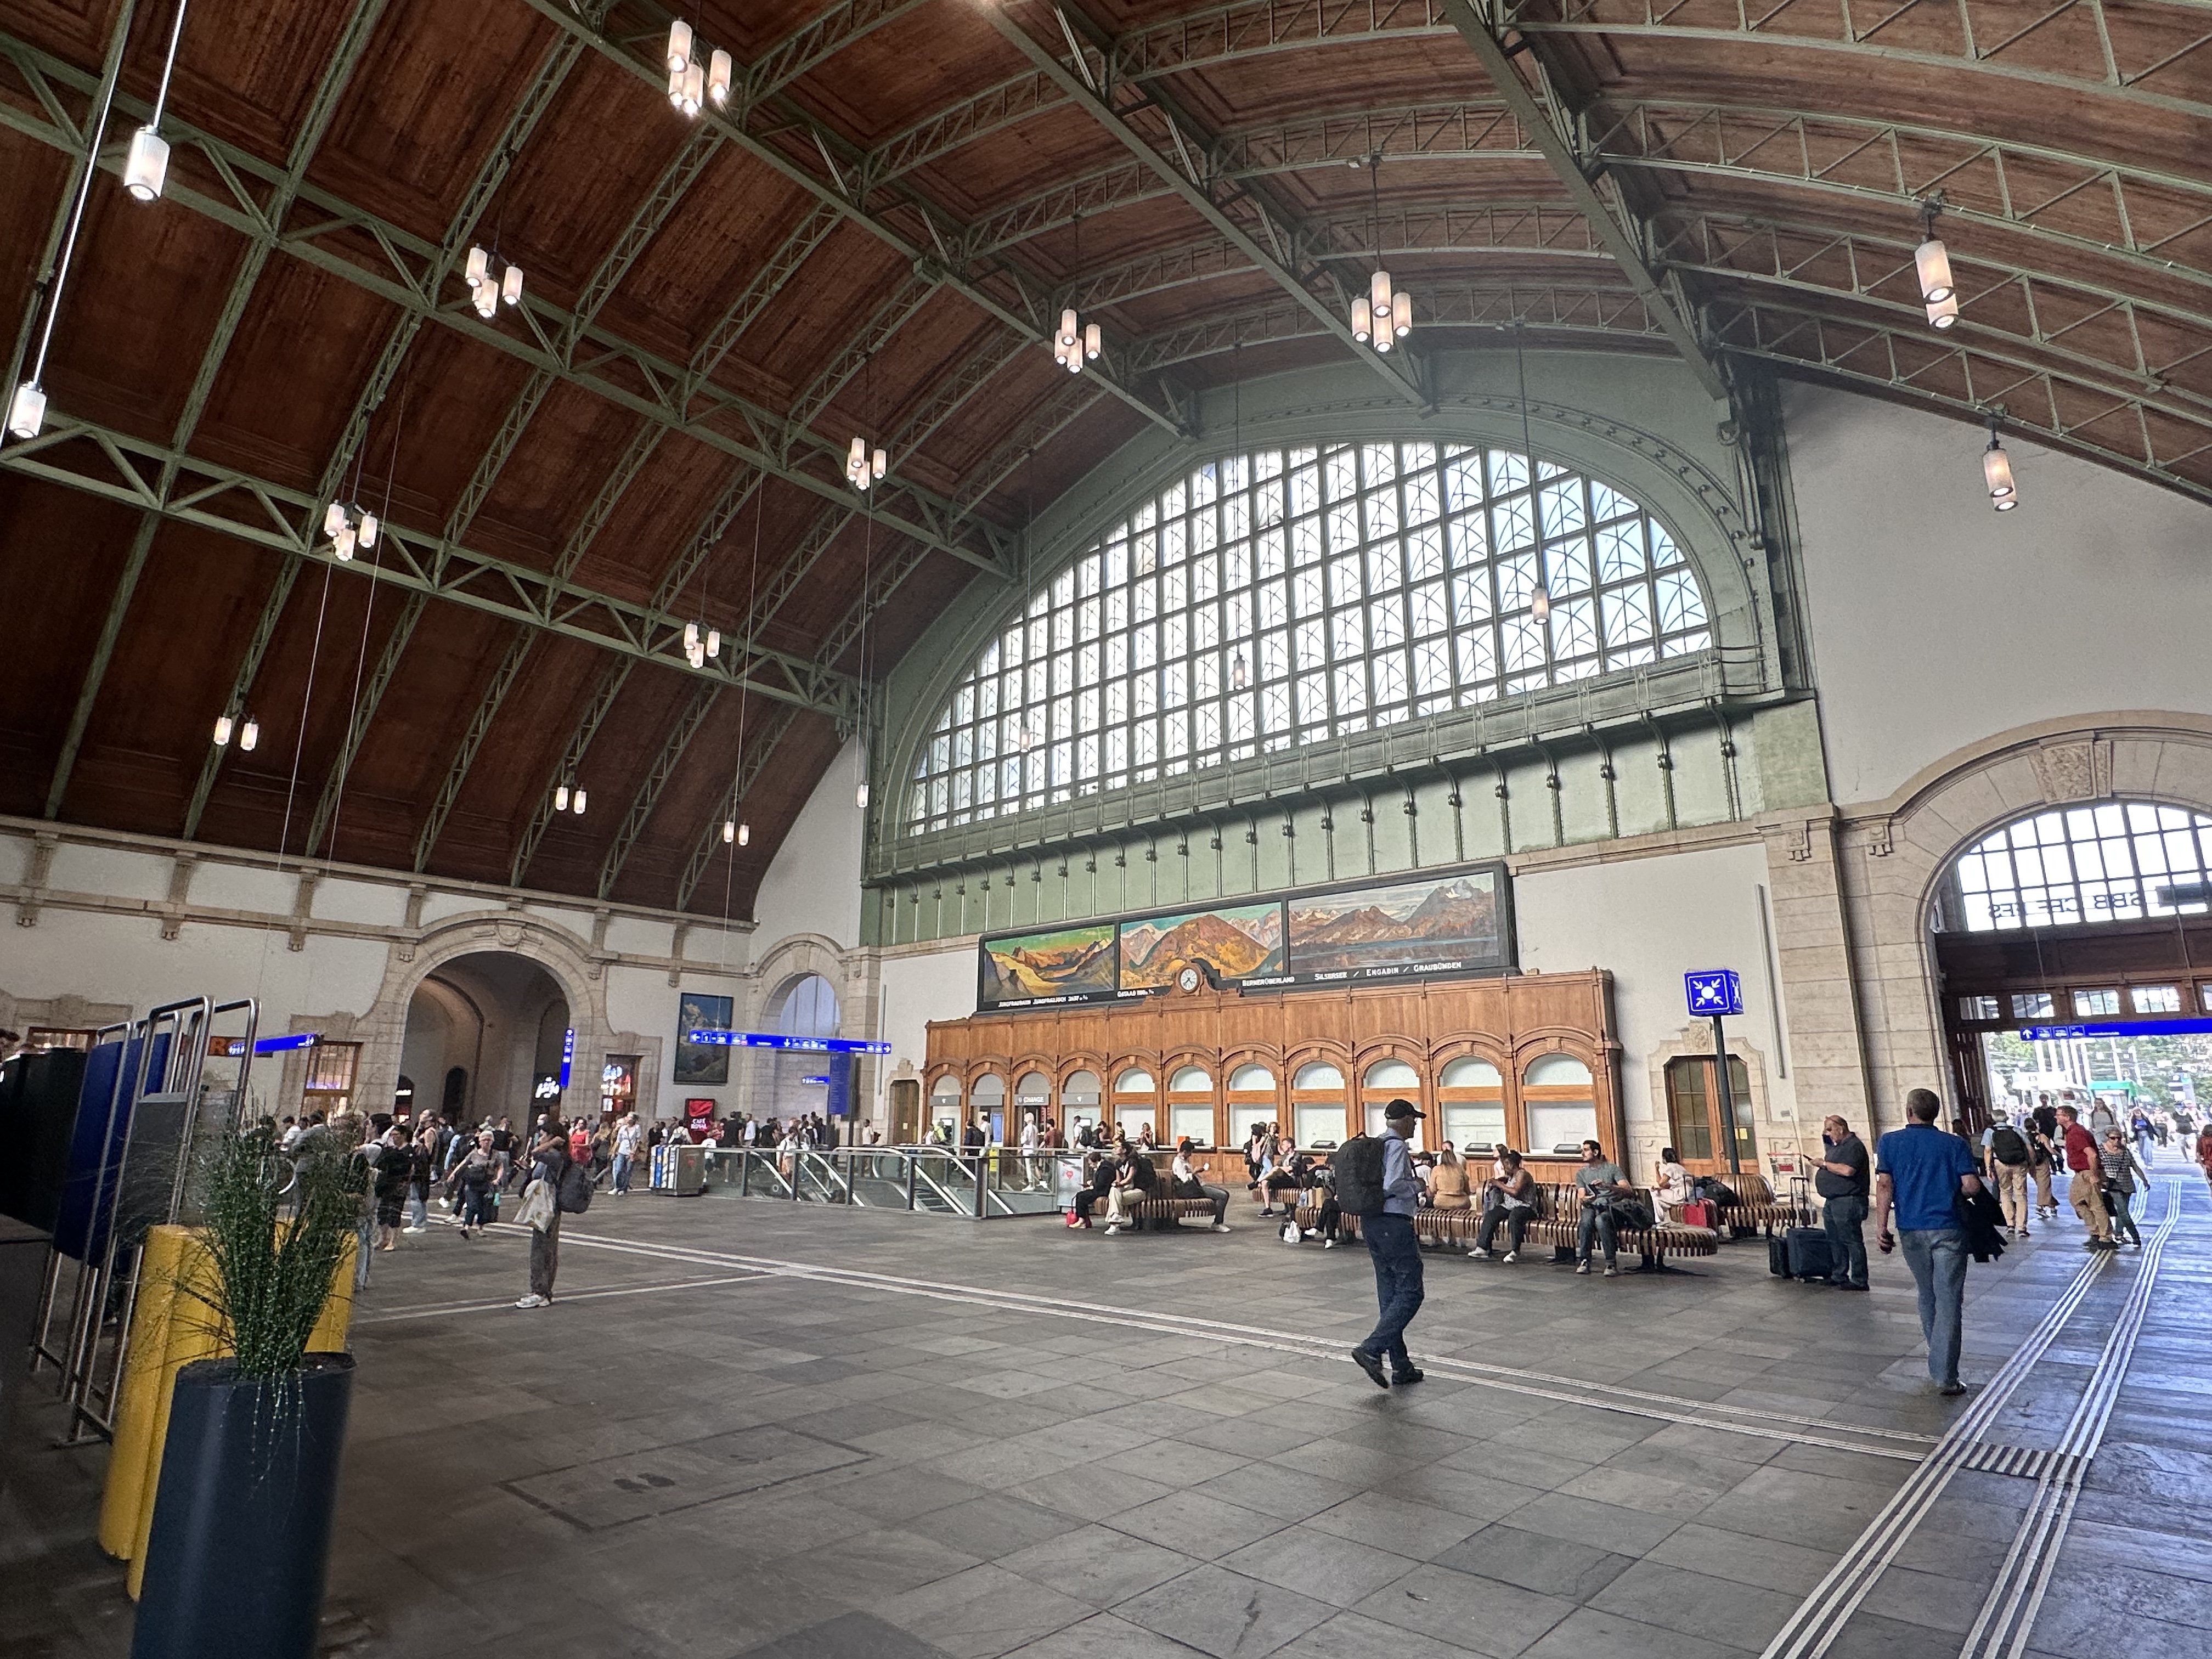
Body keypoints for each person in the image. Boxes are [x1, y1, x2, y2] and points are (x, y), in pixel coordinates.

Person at [1874, 1088, 1983, 1396]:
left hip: (1911, 1228)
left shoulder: (1890, 1143)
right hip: (1948, 1227)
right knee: (1949, 1298)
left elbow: (1884, 1186)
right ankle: (1945, 1375)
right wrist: (1952, 1193)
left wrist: (1881, 1227)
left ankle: (1937, 1362)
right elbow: (1971, 1186)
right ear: (1935, 1112)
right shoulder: (1954, 1144)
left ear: (1909, 1110)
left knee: (1927, 1293)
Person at [1349, 1100, 1427, 1388]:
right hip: (1394, 1224)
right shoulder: (1395, 1146)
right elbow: (1392, 1185)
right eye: (1414, 1119)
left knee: (1389, 1295)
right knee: (1411, 1291)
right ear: (1404, 1120)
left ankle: (1401, 1365)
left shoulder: (1376, 1145)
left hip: (1373, 1223)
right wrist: (1418, 1186)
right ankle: (1371, 1348)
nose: (1416, 1124)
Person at [516, 1118, 571, 1310]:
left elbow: (535, 1152)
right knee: (539, 1246)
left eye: (544, 1134)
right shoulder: (550, 1155)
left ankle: (542, 1291)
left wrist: (552, 1143)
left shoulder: (555, 1155)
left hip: (549, 1205)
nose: (540, 1137)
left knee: (543, 1248)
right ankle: (538, 1289)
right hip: (541, 1204)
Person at [1815, 1115, 1871, 1290]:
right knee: (1835, 1239)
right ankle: (1839, 1274)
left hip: (1849, 1200)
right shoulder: (1837, 1146)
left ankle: (1859, 1280)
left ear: (1841, 1128)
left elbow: (1847, 1170)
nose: (1828, 1134)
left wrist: (1824, 1164)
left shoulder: (1854, 1146)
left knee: (1851, 1240)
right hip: (1833, 1200)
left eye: (1830, 1129)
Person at [1571, 1139, 1634, 1277]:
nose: (1582, 1153)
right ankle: (1585, 1261)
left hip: (1611, 1207)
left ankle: (1611, 1263)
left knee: (1601, 1220)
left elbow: (1628, 1189)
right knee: (1586, 1220)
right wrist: (1587, 1199)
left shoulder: (1612, 1169)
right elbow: (1582, 1195)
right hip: (1592, 1206)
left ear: (1596, 1152)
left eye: (1586, 1150)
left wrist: (1607, 1186)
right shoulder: (1581, 1174)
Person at [2056, 1104, 2115, 1250]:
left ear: (2067, 1117)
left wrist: (2094, 1175)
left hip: (2086, 1172)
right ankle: (2096, 1231)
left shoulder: (2076, 1133)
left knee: (2095, 1204)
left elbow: (2092, 1155)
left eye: (2059, 1115)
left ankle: (2105, 1237)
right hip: (2080, 1172)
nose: (2056, 1117)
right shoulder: (2072, 1132)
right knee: (2077, 1201)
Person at [1466, 1149, 1534, 1261]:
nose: (1504, 1168)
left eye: (1505, 1165)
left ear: (1510, 1164)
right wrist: (1502, 1182)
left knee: (1515, 1216)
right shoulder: (1511, 1176)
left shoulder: (1523, 1174)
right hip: (1508, 1206)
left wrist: (1499, 1184)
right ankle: (1482, 1247)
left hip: (1525, 1206)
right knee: (1491, 1216)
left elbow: (1515, 1192)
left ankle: (1515, 1251)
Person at [1980, 1110, 2033, 1238]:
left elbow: (1988, 1151)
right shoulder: (2016, 1130)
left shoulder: (1990, 1132)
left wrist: (1988, 1168)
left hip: (2001, 1164)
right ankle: (2022, 1227)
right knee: (2021, 1194)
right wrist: (2031, 1163)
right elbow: (2029, 1147)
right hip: (2019, 1164)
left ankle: (2010, 1224)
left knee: (2005, 1192)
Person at [2099, 1128, 2149, 1247]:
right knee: (2123, 1212)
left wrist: (2144, 1180)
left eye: (2118, 1138)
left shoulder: (2125, 1151)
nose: (2116, 1141)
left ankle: (2119, 1234)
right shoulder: (2101, 1150)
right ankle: (2135, 1236)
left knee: (2123, 1211)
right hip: (2112, 1185)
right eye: (2113, 1138)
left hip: (2126, 1184)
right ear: (2107, 1138)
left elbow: (2135, 1166)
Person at [1170, 1139, 1233, 1233]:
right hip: (1193, 1189)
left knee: (1225, 1194)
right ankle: (1217, 1223)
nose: (1191, 1155)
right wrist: (1195, 1172)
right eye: (1190, 1153)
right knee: (1222, 1196)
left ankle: (1218, 1220)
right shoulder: (1178, 1163)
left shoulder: (1185, 1161)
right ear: (1184, 1152)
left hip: (1198, 1185)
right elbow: (1185, 1179)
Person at [447, 1130, 496, 1238]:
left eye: (489, 1140)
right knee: (472, 1205)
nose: (487, 1142)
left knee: (484, 1207)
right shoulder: (474, 1154)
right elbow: (463, 1163)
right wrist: (454, 1174)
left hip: (487, 1184)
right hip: (473, 1183)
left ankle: (480, 1228)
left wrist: (498, 1179)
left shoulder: (495, 1155)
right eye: (484, 1140)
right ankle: (466, 1227)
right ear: (480, 1141)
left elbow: (500, 1166)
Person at [1102, 1142, 1158, 1235]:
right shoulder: (1118, 1163)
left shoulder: (1133, 1161)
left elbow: (1129, 1179)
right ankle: (1115, 1219)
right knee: (1114, 1191)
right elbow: (1118, 1179)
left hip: (1138, 1191)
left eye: (1118, 1147)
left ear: (1124, 1150)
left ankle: (1114, 1224)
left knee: (1115, 1197)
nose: (1115, 1148)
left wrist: (1119, 1184)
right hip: (1125, 1190)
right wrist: (1116, 1183)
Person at [1423, 1143, 1471, 1245]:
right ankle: (1461, 1240)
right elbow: (1467, 1188)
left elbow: (1432, 1189)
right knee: (1458, 1215)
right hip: (1461, 1202)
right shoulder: (1460, 1168)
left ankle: (1439, 1238)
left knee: (1434, 1214)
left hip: (1442, 1202)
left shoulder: (1437, 1169)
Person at [1649, 1147, 1693, 1216]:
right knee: (1658, 1200)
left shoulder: (1670, 1167)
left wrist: (1657, 1169)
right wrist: (1659, 1189)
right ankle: (1660, 1221)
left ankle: (1659, 1221)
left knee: (1655, 1194)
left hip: (1680, 1196)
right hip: (1686, 1194)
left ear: (1664, 1158)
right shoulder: (1680, 1167)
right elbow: (1669, 1186)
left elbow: (1661, 1183)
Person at [608, 1112, 641, 1195]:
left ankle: (624, 1188)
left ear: (633, 1119)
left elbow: (638, 1141)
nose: (628, 1119)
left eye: (630, 1117)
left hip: (631, 1152)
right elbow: (618, 1141)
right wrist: (614, 1152)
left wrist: (634, 1150)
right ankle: (617, 1187)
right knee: (619, 1170)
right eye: (627, 1117)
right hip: (622, 1151)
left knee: (628, 1171)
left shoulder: (637, 1128)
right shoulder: (623, 1128)